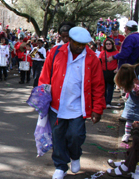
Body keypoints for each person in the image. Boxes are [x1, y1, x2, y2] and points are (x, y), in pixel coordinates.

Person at [39, 27, 105, 179]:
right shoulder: (55, 52)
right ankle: (60, 166)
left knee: (76, 135)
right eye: (77, 44)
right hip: (56, 106)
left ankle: (75, 155)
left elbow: (98, 86)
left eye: (84, 44)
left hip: (78, 107)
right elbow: (44, 76)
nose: (80, 47)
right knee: (58, 136)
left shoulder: (92, 59)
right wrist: (42, 99)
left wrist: (98, 108)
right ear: (69, 40)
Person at [115, 64, 139, 144]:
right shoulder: (132, 81)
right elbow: (125, 91)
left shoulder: (135, 77)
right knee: (129, 120)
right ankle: (127, 134)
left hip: (133, 103)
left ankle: (129, 134)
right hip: (132, 103)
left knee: (130, 120)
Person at [98, 38, 118, 108]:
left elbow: (120, 62)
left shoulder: (116, 53)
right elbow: (99, 62)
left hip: (112, 73)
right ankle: (104, 102)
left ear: (112, 45)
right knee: (103, 88)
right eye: (107, 44)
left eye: (110, 44)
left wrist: (117, 69)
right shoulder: (102, 52)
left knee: (110, 88)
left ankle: (108, 102)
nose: (108, 45)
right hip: (104, 72)